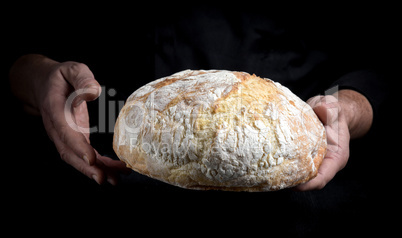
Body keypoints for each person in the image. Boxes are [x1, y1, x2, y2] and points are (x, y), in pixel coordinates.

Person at [7, 5, 390, 191]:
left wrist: (350, 107)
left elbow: (385, 66)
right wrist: (43, 80)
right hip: (114, 160)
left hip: (296, 193)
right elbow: (18, 60)